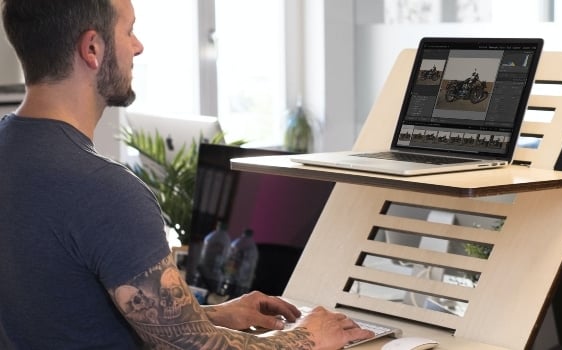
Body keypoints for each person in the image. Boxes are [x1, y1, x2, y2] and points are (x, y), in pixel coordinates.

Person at [0, 0, 373, 349]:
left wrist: (213, 314)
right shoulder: (103, 190)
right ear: (92, 49)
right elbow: (193, 347)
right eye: (129, 31)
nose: (138, 46)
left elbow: (66, 316)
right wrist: (306, 337)